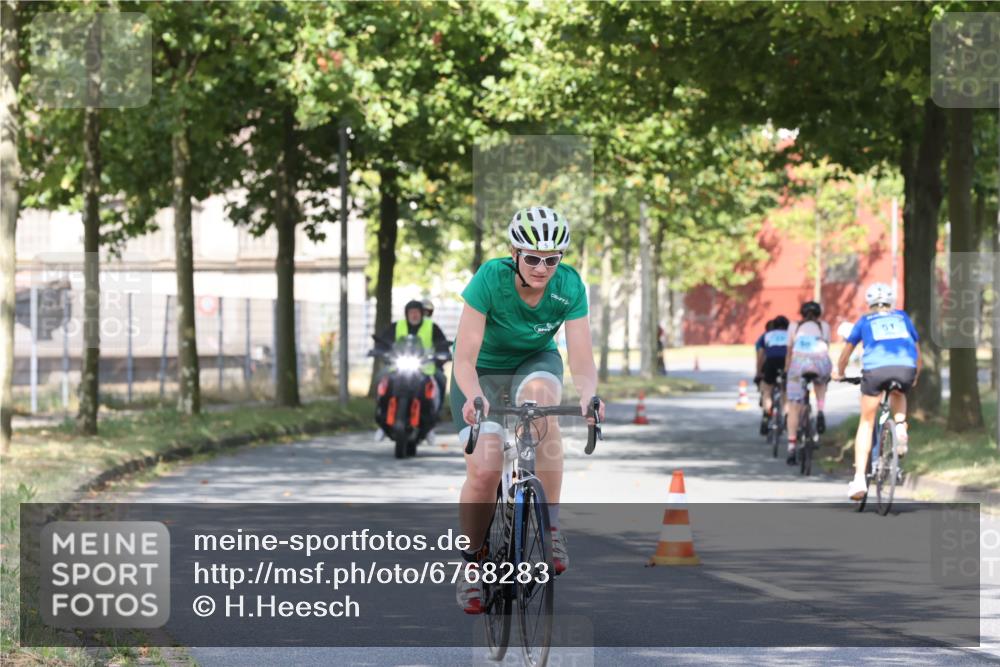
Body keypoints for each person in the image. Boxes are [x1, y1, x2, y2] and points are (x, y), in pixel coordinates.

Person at [450, 205, 605, 614]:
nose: (542, 267)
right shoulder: (490, 278)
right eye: (533, 258)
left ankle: (550, 528)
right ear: (514, 253)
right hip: (480, 374)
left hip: (535, 362)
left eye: (552, 259)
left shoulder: (569, 286)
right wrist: (472, 395)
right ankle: (471, 565)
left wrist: (589, 395)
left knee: (540, 405)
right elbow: (464, 358)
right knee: (484, 470)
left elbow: (582, 359)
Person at [832, 283, 920, 501]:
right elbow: (917, 351)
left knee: (866, 422)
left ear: (869, 302)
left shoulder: (864, 321)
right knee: (899, 393)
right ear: (891, 302)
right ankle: (900, 427)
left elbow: (846, 353)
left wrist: (839, 372)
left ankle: (860, 480)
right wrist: (915, 374)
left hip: (875, 370)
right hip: (905, 368)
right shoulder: (902, 317)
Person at [375, 299, 450, 417]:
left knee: (441, 379)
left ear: (421, 313)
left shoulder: (432, 327)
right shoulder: (397, 325)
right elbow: (385, 341)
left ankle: (436, 413)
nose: (414, 315)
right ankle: (380, 411)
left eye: (416, 312)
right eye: (411, 312)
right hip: (398, 366)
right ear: (406, 314)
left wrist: (443, 354)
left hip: (426, 367)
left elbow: (442, 343)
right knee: (380, 378)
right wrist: (380, 350)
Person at [783, 301, 832, 464]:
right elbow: (826, 348)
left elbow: (789, 351)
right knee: (821, 381)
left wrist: (786, 370)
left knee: (794, 406)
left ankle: (791, 446)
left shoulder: (793, 326)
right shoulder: (824, 326)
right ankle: (820, 410)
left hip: (799, 363)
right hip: (819, 361)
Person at [755, 316, 789, 436]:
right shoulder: (791, 334)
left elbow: (760, 356)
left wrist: (758, 373)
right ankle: (786, 416)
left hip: (771, 361)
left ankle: (766, 415)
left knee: (767, 390)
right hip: (786, 362)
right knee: (786, 390)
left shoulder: (767, 335)